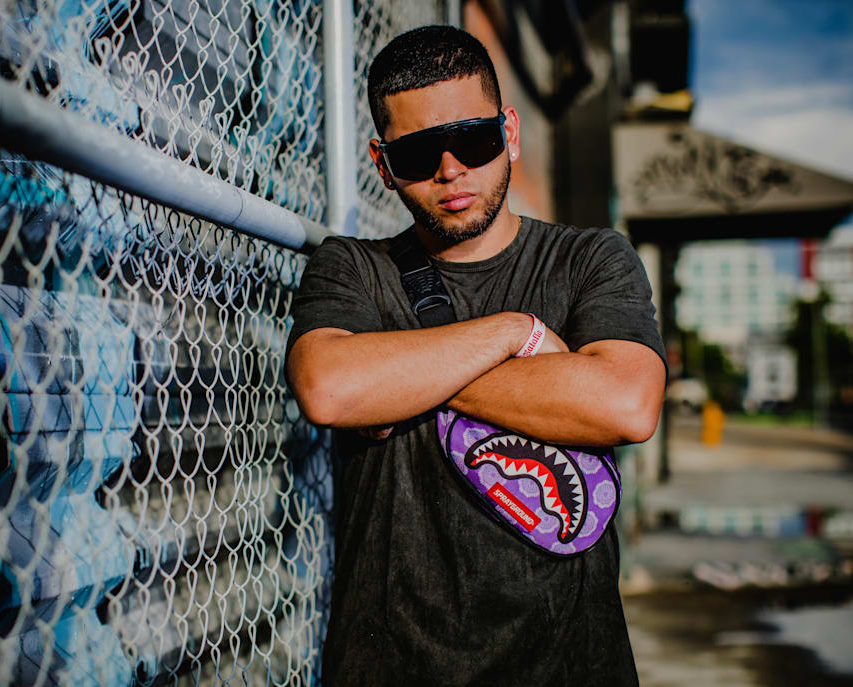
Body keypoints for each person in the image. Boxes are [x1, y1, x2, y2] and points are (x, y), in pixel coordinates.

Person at [285, 24, 666, 686]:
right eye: (418, 154)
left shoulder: (591, 260)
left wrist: (403, 376)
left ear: (511, 132)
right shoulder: (351, 269)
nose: (451, 169)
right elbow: (332, 389)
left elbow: (627, 404)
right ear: (381, 164)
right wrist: (513, 334)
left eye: (474, 139)